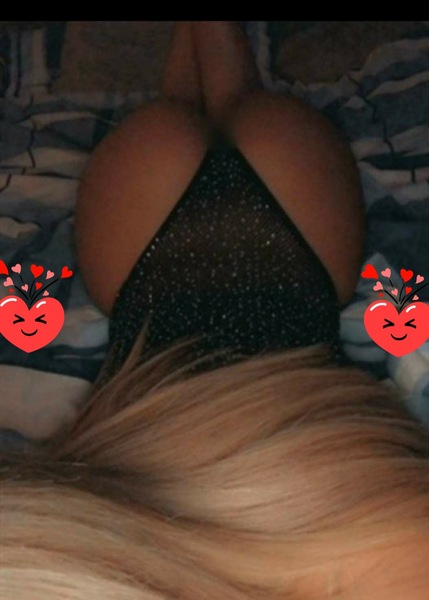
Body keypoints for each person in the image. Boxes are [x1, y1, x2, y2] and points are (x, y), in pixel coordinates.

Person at [1, 22, 429, 599]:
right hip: (160, 269)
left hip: (282, 256)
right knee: (194, 105)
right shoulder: (60, 548)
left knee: (222, 103)